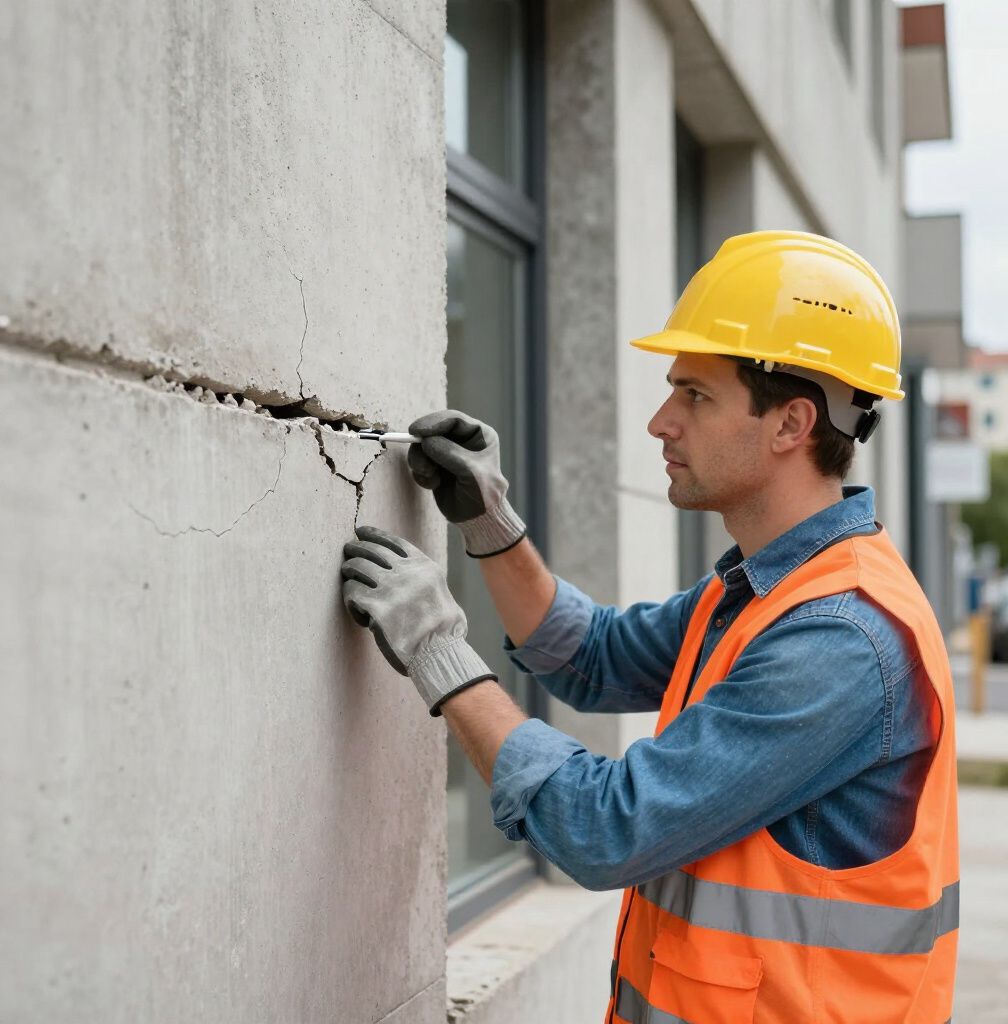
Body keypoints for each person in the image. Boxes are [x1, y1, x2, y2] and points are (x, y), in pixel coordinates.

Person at [340, 231, 959, 1024]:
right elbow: (590, 657)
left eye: (695, 395)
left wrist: (438, 653)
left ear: (791, 423)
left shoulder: (840, 638)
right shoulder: (763, 590)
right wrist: (489, 522)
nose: (661, 422)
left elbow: (608, 827)